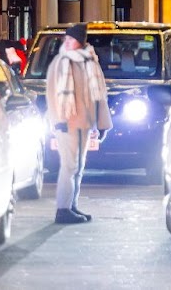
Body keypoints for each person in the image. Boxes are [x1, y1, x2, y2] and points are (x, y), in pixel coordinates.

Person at [45, 22, 111, 225]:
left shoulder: (90, 61)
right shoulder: (61, 62)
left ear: (81, 42)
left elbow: (99, 95)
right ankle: (63, 208)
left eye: (72, 39)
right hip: (67, 123)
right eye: (67, 39)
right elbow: (53, 95)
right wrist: (59, 121)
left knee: (79, 166)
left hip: (85, 122)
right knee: (69, 166)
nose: (68, 42)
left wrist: (101, 124)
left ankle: (71, 204)